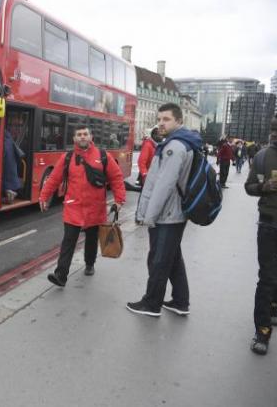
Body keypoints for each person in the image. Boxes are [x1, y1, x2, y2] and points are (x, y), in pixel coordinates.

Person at [127, 103, 202, 317]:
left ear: (179, 121)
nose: (161, 122)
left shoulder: (174, 147)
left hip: (167, 214)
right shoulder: (181, 143)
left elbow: (163, 185)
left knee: (158, 260)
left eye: (166, 119)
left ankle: (151, 303)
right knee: (172, 258)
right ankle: (180, 301)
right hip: (174, 212)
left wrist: (148, 217)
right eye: (159, 119)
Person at [40, 125, 126, 286]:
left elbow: (116, 178)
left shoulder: (103, 156)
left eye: (85, 134)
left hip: (95, 208)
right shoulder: (68, 158)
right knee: (68, 241)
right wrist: (44, 196)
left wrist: (119, 200)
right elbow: (53, 179)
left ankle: (89, 263)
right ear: (74, 139)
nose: (82, 137)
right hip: (74, 207)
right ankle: (61, 275)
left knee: (92, 240)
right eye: (79, 134)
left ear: (91, 137)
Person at [244, 112, 277, 355]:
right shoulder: (262, 156)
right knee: (267, 277)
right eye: (273, 129)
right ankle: (262, 331)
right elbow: (248, 187)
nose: (275, 133)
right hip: (268, 224)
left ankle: (273, 306)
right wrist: (264, 187)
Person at [2, 113, 25, 203]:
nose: (18, 130)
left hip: (9, 173)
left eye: (20, 126)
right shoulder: (8, 138)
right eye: (15, 126)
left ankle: (9, 193)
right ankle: (9, 192)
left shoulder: (7, 139)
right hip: (11, 175)